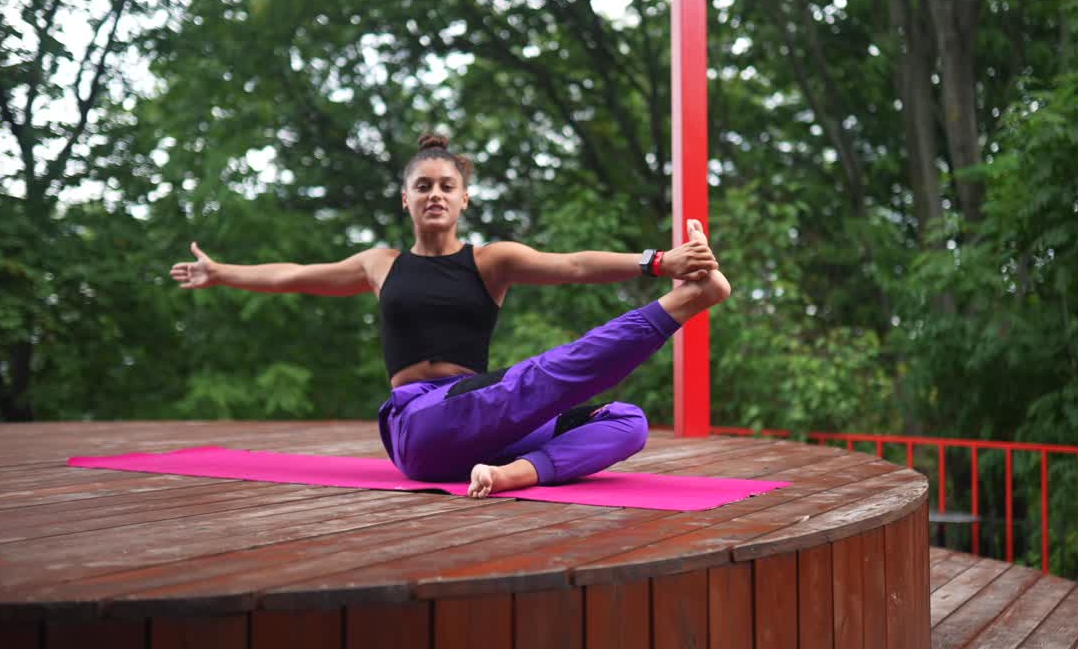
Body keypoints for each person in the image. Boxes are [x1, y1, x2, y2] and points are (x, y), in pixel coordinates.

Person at [170, 133, 730, 498]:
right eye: (423, 186)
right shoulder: (379, 265)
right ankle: (685, 302)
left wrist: (660, 260)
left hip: (494, 430)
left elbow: (576, 265)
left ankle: (517, 475)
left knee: (626, 420)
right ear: (405, 200)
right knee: (534, 379)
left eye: (447, 186)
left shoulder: (492, 261)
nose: (435, 194)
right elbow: (293, 275)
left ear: (464, 200)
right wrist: (222, 273)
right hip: (423, 424)